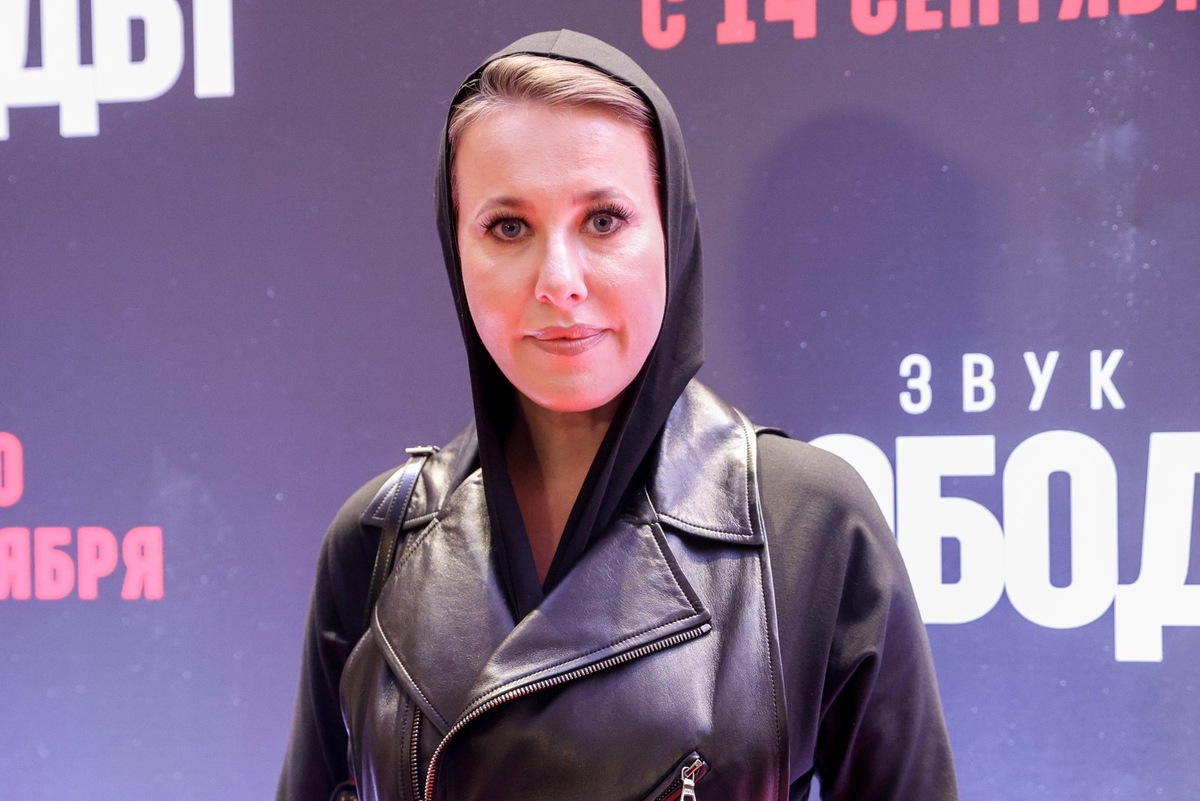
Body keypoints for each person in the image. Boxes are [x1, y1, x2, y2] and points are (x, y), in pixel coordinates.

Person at [277, 29, 958, 801]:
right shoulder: (376, 542)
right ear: (455, 247)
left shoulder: (808, 525)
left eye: (603, 220)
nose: (558, 280)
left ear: (671, 233)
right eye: (508, 227)